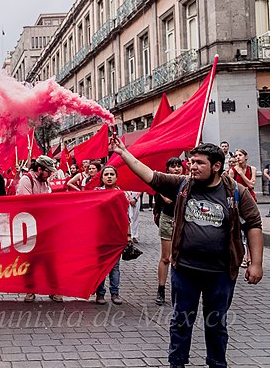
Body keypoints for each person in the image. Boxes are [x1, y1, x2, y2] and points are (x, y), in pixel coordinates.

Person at [111, 137, 263, 368]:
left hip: (221, 273)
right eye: (191, 162)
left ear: (216, 166)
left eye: (199, 163)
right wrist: (123, 153)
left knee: (216, 324)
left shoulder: (236, 191)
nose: (192, 167)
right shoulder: (183, 185)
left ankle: (216, 363)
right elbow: (150, 175)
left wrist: (257, 263)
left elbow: (253, 223)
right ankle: (177, 363)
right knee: (181, 322)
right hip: (185, 270)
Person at [17, 155, 63, 303]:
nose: (50, 174)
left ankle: (53, 290)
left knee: (50, 260)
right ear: (39, 169)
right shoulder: (26, 180)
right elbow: (27, 204)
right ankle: (29, 291)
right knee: (30, 260)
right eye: (48, 171)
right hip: (30, 228)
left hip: (46, 227)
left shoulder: (45, 181)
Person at [94, 165, 132, 305]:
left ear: (116, 177)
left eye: (112, 174)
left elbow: (126, 216)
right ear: (102, 178)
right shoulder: (96, 192)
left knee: (115, 267)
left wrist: (128, 236)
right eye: (106, 174)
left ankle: (115, 293)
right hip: (101, 235)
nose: (109, 176)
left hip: (116, 236)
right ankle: (100, 294)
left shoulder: (122, 194)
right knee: (101, 266)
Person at [152, 157, 184, 306]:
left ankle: (179, 290)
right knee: (166, 258)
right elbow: (166, 200)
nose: (177, 169)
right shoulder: (165, 185)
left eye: (179, 166)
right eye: (173, 166)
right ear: (168, 169)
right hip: (168, 219)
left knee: (181, 258)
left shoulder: (188, 182)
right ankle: (161, 289)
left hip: (184, 221)